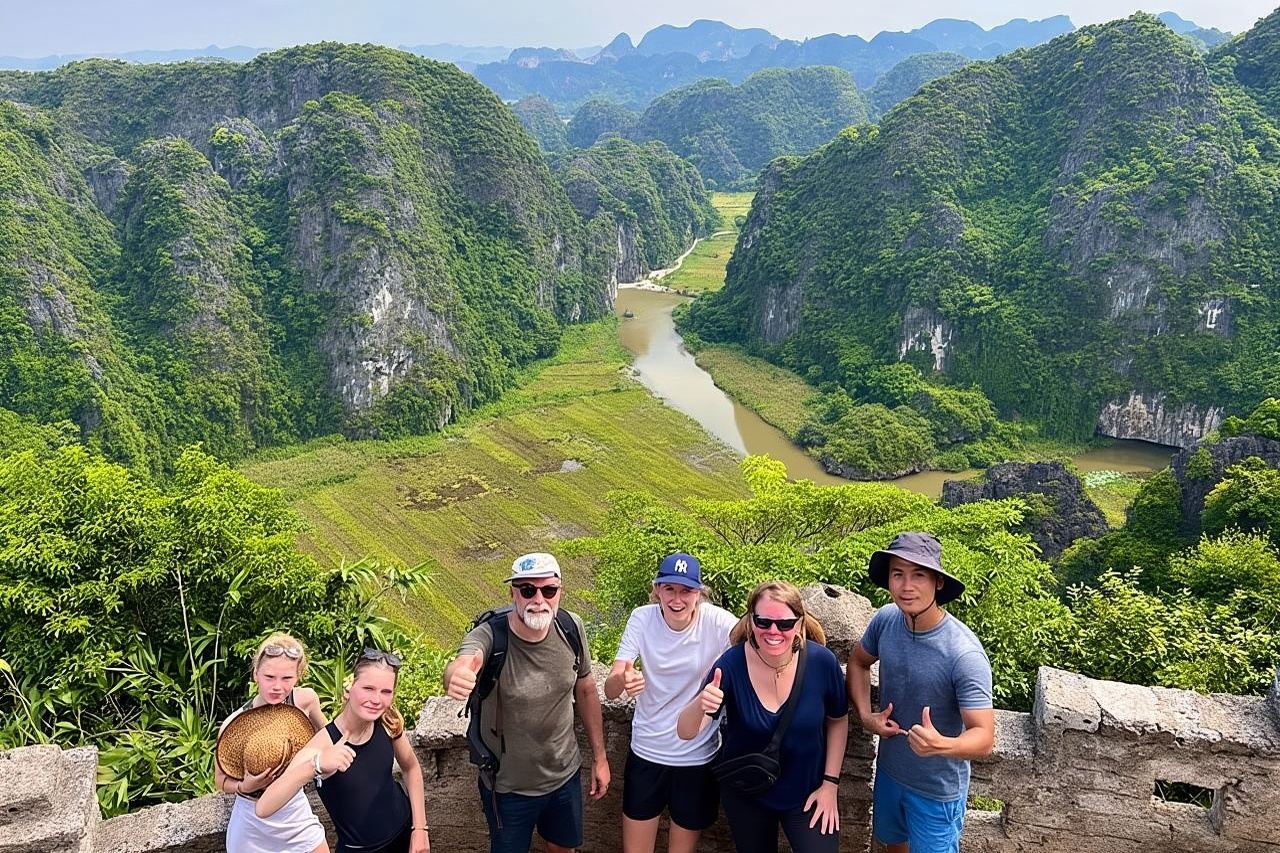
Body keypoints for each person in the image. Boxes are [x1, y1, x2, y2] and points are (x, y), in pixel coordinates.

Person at [442, 552, 609, 853]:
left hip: (564, 775)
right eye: (528, 590)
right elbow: (464, 660)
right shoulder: (491, 637)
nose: (539, 599)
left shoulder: (571, 628)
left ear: (560, 592)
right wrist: (458, 674)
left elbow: (585, 688)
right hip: (507, 788)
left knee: (563, 848)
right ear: (513, 593)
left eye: (549, 590)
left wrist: (600, 757)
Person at [848, 531, 995, 853]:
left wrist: (942, 744)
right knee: (891, 846)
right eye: (897, 574)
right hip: (888, 774)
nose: (906, 586)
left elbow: (984, 737)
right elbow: (858, 662)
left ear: (938, 583)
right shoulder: (886, 620)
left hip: (936, 791)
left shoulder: (962, 653)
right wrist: (865, 716)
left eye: (918, 575)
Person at [677, 580, 849, 853]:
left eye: (784, 624)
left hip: (808, 793)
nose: (773, 631)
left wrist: (830, 784)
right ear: (750, 621)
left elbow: (838, 720)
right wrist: (700, 703)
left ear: (800, 623)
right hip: (748, 793)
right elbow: (686, 731)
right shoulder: (731, 665)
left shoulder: (821, 663)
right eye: (763, 621)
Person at [603, 552, 738, 853]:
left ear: (699, 593)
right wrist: (624, 679)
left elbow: (754, 645)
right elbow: (610, 689)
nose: (677, 599)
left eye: (687, 591)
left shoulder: (717, 622)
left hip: (696, 758)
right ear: (657, 591)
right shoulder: (642, 617)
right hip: (647, 751)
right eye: (669, 589)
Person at [257, 648, 430, 853]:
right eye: (368, 688)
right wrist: (317, 764)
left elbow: (411, 767)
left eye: (386, 692)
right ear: (350, 688)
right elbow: (264, 807)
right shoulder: (322, 745)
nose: (376, 700)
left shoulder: (387, 720)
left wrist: (420, 829)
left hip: (406, 834)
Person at [215, 632, 328, 853]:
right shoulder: (233, 724)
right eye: (269, 677)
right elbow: (220, 781)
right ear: (256, 674)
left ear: (298, 676)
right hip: (252, 819)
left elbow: (329, 735)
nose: (277, 686)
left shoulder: (305, 700)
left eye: (287, 678)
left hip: (294, 809)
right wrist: (243, 786)